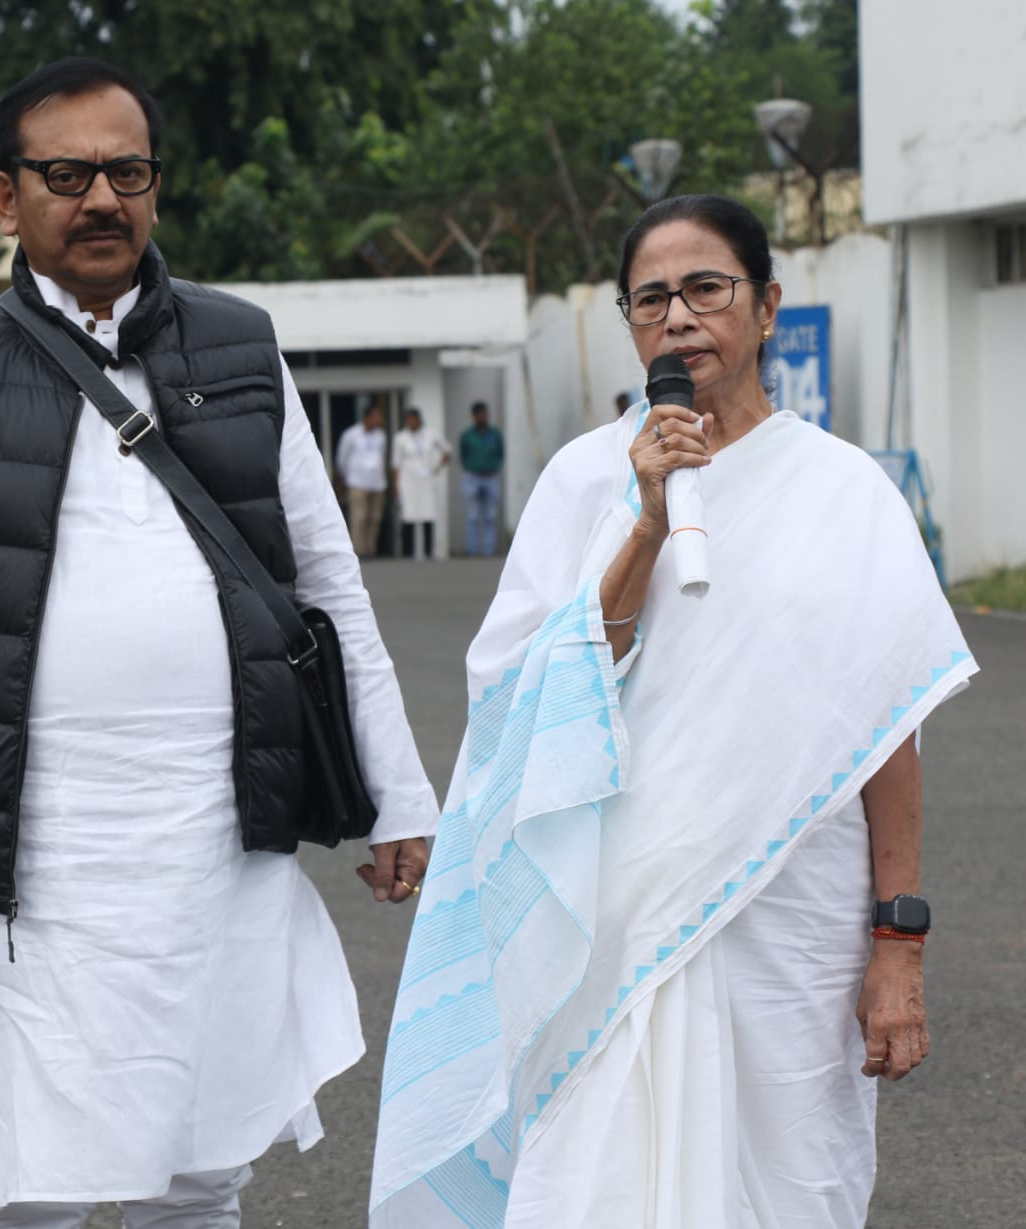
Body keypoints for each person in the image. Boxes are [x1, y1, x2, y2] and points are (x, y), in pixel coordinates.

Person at [0, 58, 437, 1229]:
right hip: (19, 853)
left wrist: (395, 791)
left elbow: (325, 585)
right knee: (24, 1179)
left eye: (127, 170)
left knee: (200, 1168)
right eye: (66, 173)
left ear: (155, 187)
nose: (100, 197)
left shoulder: (241, 347)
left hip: (213, 839)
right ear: (7, 199)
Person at [370, 195, 976, 1229]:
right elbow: (520, 697)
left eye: (706, 288)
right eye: (650, 298)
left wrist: (898, 945)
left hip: (793, 928)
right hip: (608, 917)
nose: (679, 317)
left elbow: (887, 728)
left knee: (783, 1185)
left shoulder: (843, 492)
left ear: (766, 305)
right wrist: (645, 524)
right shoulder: (579, 481)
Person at [391, 407, 450, 560]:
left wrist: (437, 467)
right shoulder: (400, 438)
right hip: (408, 481)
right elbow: (396, 463)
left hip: (426, 480)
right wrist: (396, 485)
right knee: (408, 515)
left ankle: (428, 552)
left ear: (418, 419)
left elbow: (447, 450)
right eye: (408, 419)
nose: (410, 422)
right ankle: (408, 553)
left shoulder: (430, 434)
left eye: (413, 419)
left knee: (428, 513)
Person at [335, 402, 389, 557]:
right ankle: (359, 550)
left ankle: (371, 548)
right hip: (357, 482)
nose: (379, 420)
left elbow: (382, 457)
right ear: (368, 417)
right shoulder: (351, 434)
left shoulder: (381, 435)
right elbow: (341, 459)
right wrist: (347, 477)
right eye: (377, 417)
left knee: (374, 518)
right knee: (359, 517)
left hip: (377, 483)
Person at [458, 400, 503, 555]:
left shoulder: (495, 434)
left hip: (490, 477)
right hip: (473, 477)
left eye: (485, 414)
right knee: (473, 515)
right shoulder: (467, 436)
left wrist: (493, 466)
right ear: (474, 416)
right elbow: (463, 455)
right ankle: (473, 550)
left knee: (490, 515)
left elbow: (500, 454)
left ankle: (488, 550)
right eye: (480, 415)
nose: (483, 417)